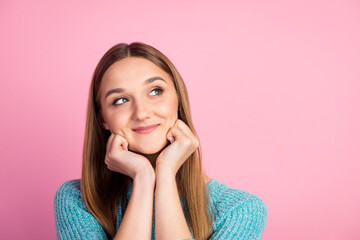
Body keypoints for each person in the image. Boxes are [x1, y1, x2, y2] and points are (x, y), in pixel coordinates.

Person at [54, 42, 268, 240]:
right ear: (103, 119)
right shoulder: (77, 201)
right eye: (121, 100)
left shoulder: (239, 210)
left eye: (155, 91)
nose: (142, 113)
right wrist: (143, 177)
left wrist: (165, 172)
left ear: (178, 99)